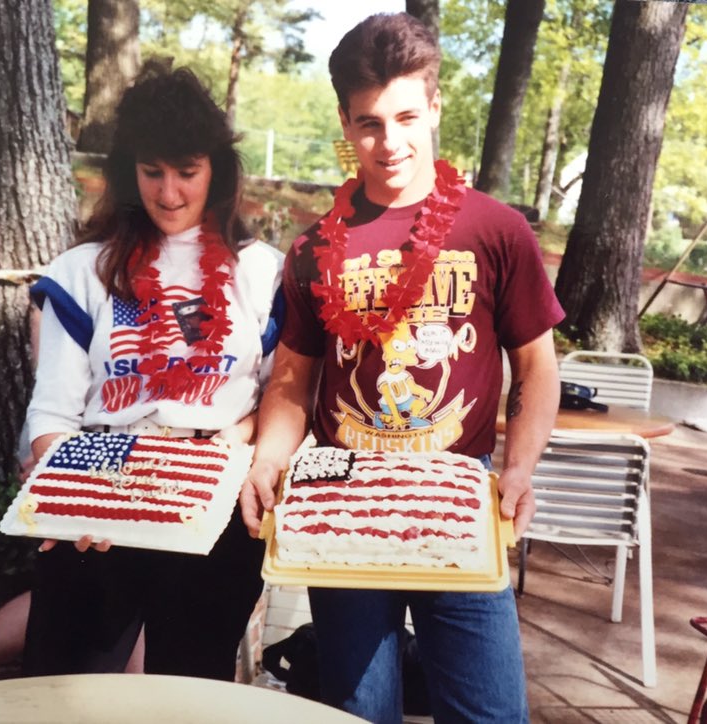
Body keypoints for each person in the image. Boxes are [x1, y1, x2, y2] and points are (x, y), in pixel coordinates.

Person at [240, 13, 563, 724]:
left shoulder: (494, 229)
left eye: (407, 116)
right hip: (345, 497)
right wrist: (267, 460)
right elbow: (294, 375)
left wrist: (518, 468)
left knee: (489, 712)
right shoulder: (313, 247)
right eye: (368, 123)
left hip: (460, 497)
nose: (389, 143)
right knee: (358, 710)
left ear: (436, 106)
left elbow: (537, 367)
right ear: (344, 119)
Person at [21, 62, 283, 681]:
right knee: (63, 694)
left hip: (211, 500)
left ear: (216, 170)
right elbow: (53, 408)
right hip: (100, 490)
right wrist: (75, 502)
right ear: (126, 172)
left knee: (187, 697)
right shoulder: (84, 271)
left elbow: (284, 395)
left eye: (187, 172)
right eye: (152, 172)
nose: (169, 193)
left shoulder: (264, 271)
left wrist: (237, 438)